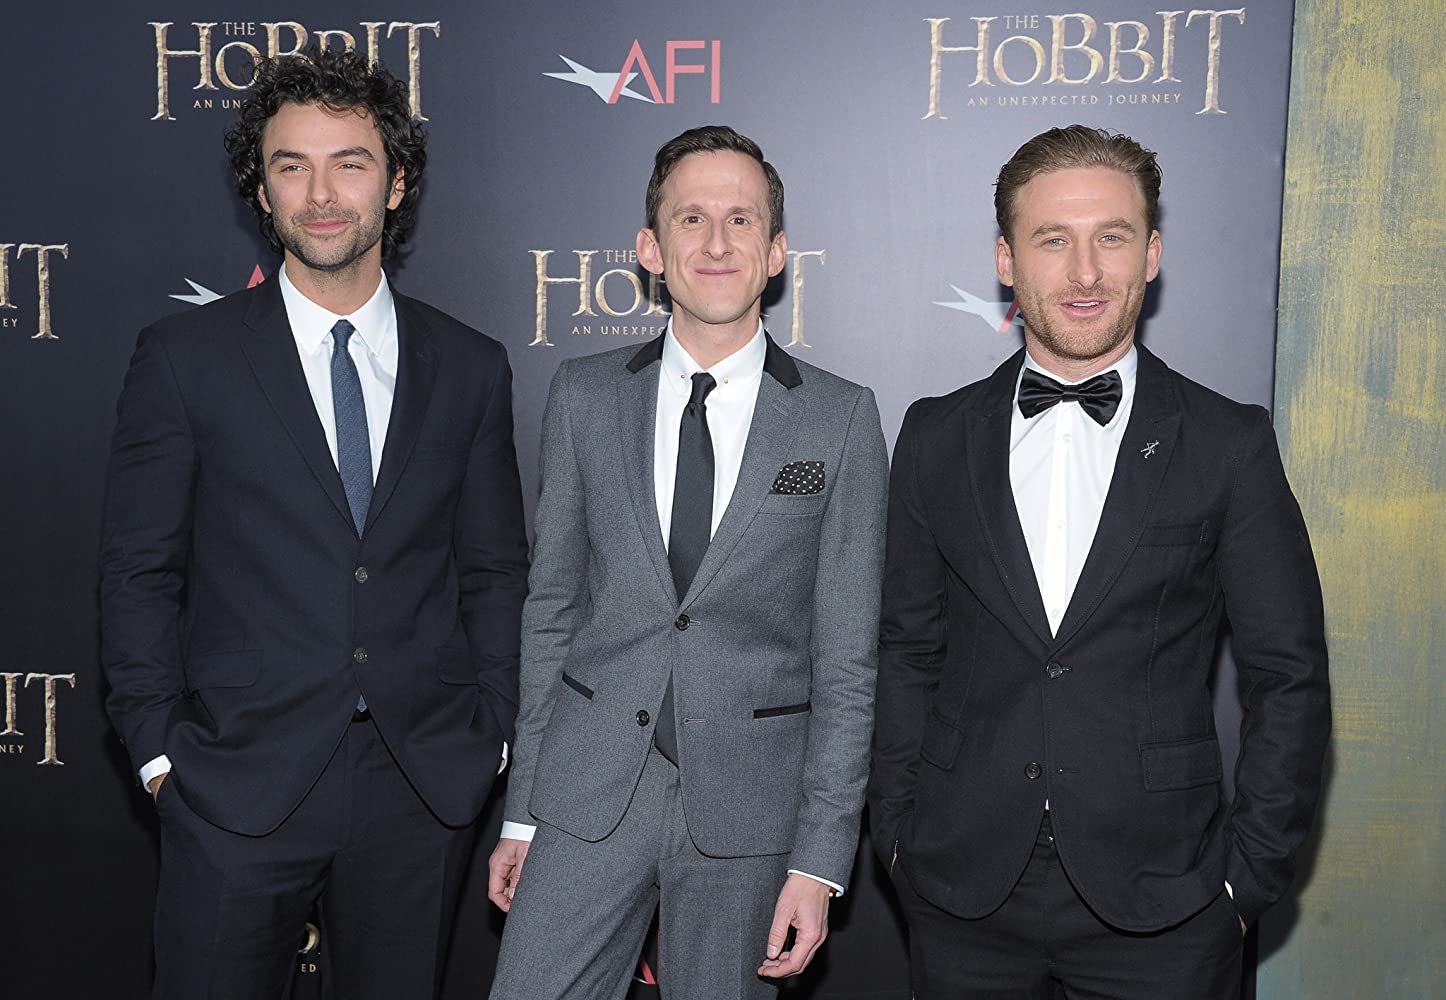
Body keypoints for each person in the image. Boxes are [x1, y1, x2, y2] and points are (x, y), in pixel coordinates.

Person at [99, 46, 528, 1000]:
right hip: (234, 779)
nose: (321, 194)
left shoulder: (469, 366)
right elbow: (138, 573)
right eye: (291, 165)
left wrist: (493, 733)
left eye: (350, 162)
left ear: (397, 182)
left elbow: (496, 570)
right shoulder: (184, 359)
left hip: (420, 784)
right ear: (261, 189)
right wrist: (162, 755)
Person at [868, 124, 1330, 998]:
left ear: (1150, 254)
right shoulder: (935, 436)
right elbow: (906, 650)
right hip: (960, 894)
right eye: (1053, 240)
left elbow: (1289, 676)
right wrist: (896, 832)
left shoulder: (1228, 443)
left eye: (1111, 238)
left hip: (1169, 904)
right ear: (1006, 261)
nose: (1085, 273)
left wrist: (1245, 882)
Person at [485, 125, 888, 1000]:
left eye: (741, 220)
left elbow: (848, 662)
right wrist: (522, 812)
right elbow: (551, 613)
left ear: (775, 253)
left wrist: (820, 861)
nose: (716, 243)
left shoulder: (841, 419)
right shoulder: (584, 395)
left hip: (750, 804)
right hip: (588, 791)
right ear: (650, 249)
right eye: (691, 218)